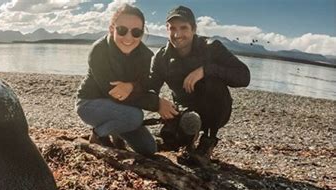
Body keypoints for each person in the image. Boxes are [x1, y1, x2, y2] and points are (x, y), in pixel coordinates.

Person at [147, 5, 251, 166]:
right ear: (166, 29)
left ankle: (207, 143)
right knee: (170, 142)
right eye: (172, 28)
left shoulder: (212, 48)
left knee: (212, 80)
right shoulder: (161, 57)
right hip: (185, 110)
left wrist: (206, 70)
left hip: (216, 108)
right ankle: (188, 138)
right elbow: (151, 87)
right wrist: (157, 102)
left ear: (194, 29)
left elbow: (244, 77)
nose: (177, 34)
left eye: (184, 28)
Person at [76, 4, 165, 156]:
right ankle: (98, 135)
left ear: (142, 33)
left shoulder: (146, 55)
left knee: (149, 149)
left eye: (136, 32)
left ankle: (115, 131)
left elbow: (145, 85)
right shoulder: (99, 50)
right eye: (122, 30)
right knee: (135, 116)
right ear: (112, 28)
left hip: (122, 109)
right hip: (90, 104)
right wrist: (156, 104)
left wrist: (131, 86)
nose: (129, 37)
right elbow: (114, 93)